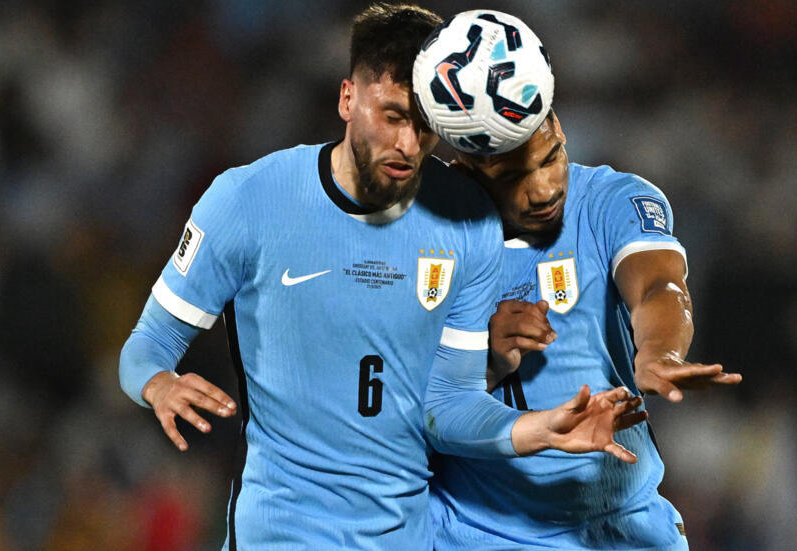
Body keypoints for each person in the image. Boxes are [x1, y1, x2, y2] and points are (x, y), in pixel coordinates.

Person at [118, 5, 643, 550]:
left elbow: (450, 404)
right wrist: (159, 384)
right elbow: (147, 345)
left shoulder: (466, 221)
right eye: (392, 116)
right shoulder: (248, 199)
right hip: (279, 533)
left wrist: (541, 429)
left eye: (424, 127)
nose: (409, 145)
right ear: (347, 98)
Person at [429, 110, 743, 550]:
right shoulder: (426, 239)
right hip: (483, 530)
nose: (543, 189)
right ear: (466, 172)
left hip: (623, 526)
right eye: (516, 176)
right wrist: (486, 360)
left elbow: (659, 283)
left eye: (551, 158)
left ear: (559, 129)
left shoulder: (611, 202)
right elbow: (411, 404)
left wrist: (658, 351)